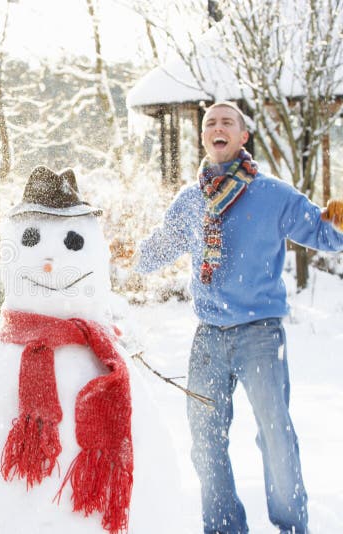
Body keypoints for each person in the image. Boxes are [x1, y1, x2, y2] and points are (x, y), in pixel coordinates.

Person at [134, 100, 343, 534]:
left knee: (275, 436)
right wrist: (126, 253)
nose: (218, 126)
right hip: (208, 338)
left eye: (227, 121)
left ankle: (291, 526)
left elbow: (322, 232)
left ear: (243, 136)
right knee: (206, 444)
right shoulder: (192, 200)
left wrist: (339, 221)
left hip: (260, 335)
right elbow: (161, 246)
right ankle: (225, 527)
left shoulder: (273, 194)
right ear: (204, 137)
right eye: (210, 122)